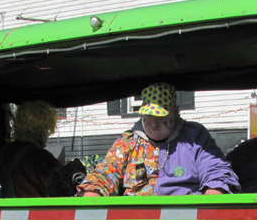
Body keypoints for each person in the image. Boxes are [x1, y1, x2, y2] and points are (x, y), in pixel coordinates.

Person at [78, 82, 240, 197]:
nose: (154, 123)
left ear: (175, 111)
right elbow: (106, 173)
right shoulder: (128, 142)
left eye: (160, 115)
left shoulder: (194, 137)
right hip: (135, 219)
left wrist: (213, 193)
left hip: (183, 215)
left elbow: (216, 169)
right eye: (149, 115)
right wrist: (94, 191)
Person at [0, 100, 63, 198]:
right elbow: (64, 188)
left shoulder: (3, 153)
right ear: (41, 130)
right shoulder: (42, 158)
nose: (48, 134)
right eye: (47, 129)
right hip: (36, 208)